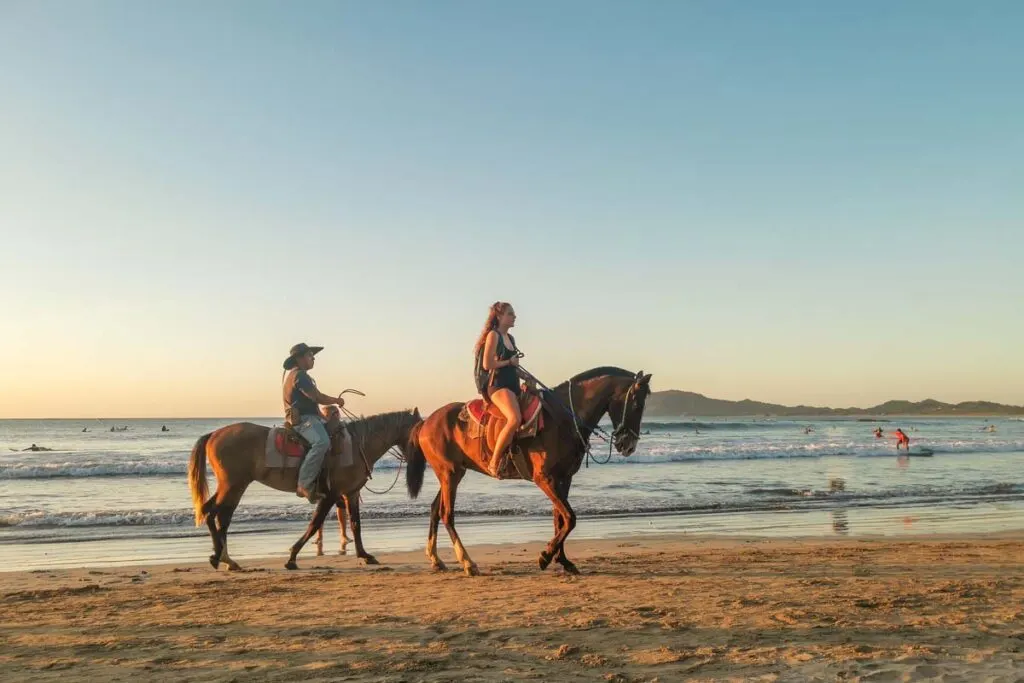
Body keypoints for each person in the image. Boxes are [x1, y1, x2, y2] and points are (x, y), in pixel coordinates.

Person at [282, 343, 346, 502]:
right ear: (299, 358)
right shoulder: (299, 376)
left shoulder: (302, 376)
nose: (313, 358)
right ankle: (303, 484)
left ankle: (327, 481)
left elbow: (315, 407)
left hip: (312, 417)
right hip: (303, 420)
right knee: (321, 442)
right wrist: (336, 400)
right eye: (310, 355)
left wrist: (327, 419)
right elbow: (317, 397)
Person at [474, 302, 522, 478]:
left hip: (513, 383)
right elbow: (488, 364)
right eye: (510, 314)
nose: (514, 317)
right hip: (498, 385)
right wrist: (509, 362)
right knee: (514, 418)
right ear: (500, 317)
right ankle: (494, 463)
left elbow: (514, 367)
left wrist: (528, 379)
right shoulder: (494, 336)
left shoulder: (511, 338)